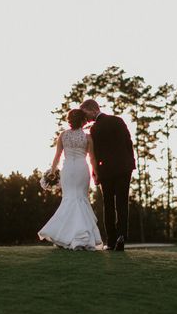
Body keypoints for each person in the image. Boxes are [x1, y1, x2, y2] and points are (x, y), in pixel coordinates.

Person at [37, 109, 102, 250]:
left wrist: (52, 172)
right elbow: (92, 158)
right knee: (80, 199)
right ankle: (81, 237)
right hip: (81, 169)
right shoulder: (87, 137)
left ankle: (66, 236)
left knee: (69, 199)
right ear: (83, 121)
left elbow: (57, 156)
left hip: (67, 170)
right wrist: (96, 174)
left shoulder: (63, 135)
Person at [79, 99, 135, 251]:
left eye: (85, 114)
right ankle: (121, 236)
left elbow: (94, 154)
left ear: (93, 110)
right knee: (122, 204)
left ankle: (110, 241)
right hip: (124, 168)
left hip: (107, 171)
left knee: (108, 205)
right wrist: (131, 163)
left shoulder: (95, 129)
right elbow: (128, 143)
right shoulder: (118, 120)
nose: (86, 118)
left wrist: (95, 172)